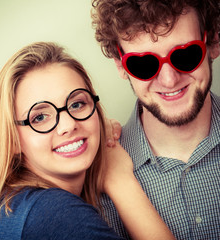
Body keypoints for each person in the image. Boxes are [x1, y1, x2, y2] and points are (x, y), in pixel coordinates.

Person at [0, 42, 175, 240]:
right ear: (12, 140)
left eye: (77, 104)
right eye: (39, 117)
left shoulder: (13, 207)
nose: (68, 125)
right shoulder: (53, 214)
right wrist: (119, 180)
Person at [91, 0, 220, 239]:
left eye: (185, 55)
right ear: (120, 64)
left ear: (213, 41)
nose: (169, 80)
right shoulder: (96, 183)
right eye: (143, 64)